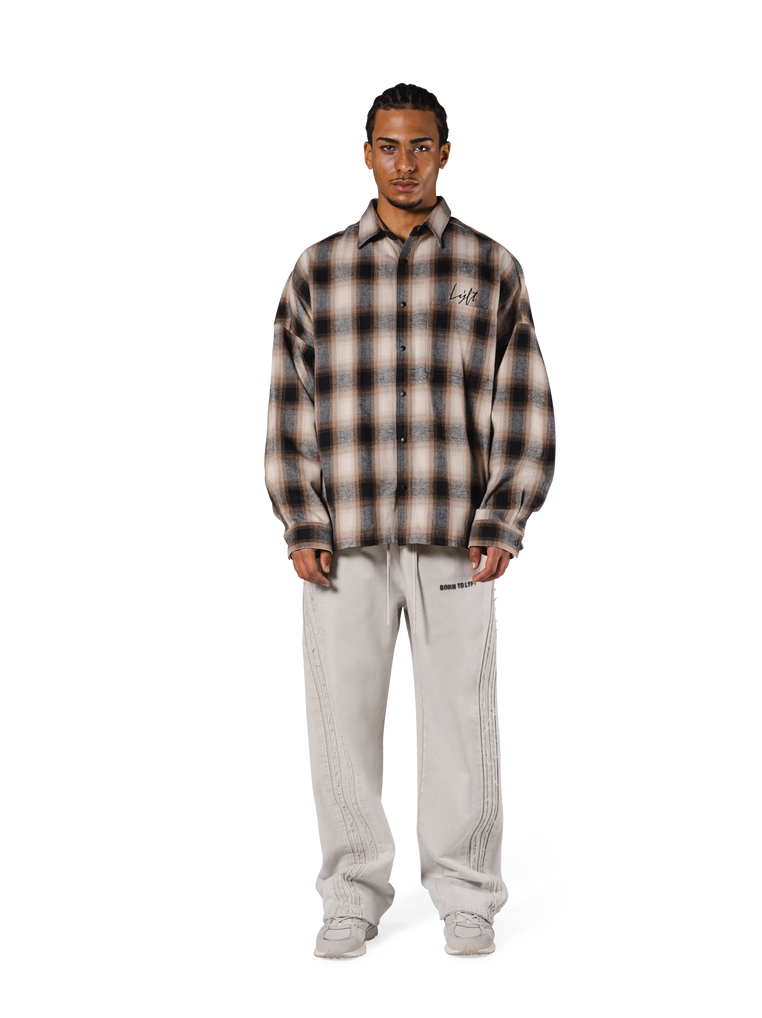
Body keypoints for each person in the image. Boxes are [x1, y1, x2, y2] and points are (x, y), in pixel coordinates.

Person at [262, 82, 558, 959]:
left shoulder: (492, 264)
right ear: (365, 154)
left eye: (421, 146)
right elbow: (286, 401)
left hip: (457, 535)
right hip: (342, 536)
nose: (405, 164)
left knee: (461, 717)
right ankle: (352, 892)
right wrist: (299, 519)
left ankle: (466, 891)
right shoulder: (316, 268)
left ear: (445, 154)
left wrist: (506, 516)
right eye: (388, 147)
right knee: (341, 720)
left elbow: (525, 397)